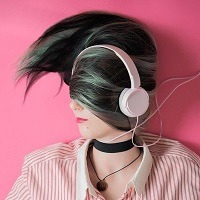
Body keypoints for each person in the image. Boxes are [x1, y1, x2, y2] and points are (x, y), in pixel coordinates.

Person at [6, 11, 199, 200]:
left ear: (133, 101)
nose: (74, 106)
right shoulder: (41, 174)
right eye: (74, 92)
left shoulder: (185, 172)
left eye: (89, 93)